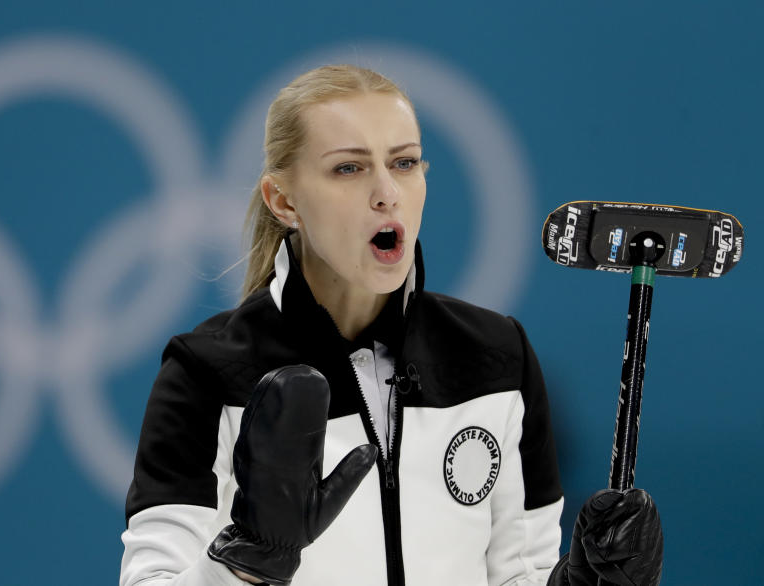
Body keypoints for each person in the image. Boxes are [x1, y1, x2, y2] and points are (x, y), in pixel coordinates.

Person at [119, 65, 663, 586]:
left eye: (404, 163)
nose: (387, 192)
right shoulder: (206, 372)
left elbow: (522, 574)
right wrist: (246, 562)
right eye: (348, 168)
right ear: (283, 200)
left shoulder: (498, 357)